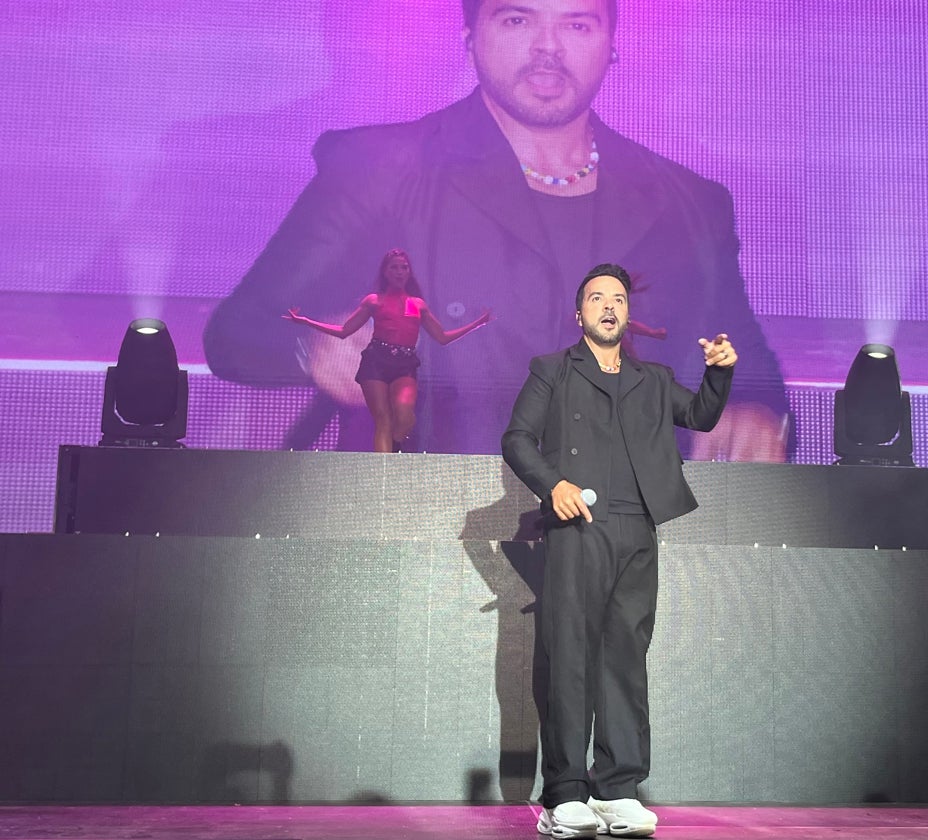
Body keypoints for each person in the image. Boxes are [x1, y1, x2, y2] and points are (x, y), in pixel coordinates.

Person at [203, 0, 789, 459]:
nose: (548, 48)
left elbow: (743, 363)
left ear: (612, 45)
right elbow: (237, 332)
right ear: (470, 38)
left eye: (579, 25)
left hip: (623, 550)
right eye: (517, 18)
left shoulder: (689, 205)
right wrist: (313, 347)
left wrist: (754, 411)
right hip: (422, 541)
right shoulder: (380, 168)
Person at [502, 264, 735, 838]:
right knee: (571, 658)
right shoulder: (553, 370)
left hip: (637, 529)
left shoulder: (651, 379)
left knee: (625, 660)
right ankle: (565, 793)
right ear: (578, 313)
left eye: (619, 299)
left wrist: (718, 372)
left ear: (628, 315)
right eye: (597, 298)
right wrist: (551, 484)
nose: (609, 305)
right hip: (579, 526)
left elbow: (701, 415)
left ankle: (619, 787)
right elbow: (516, 438)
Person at [282, 248, 490, 452]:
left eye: (403, 268)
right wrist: (310, 337)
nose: (399, 273)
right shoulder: (371, 299)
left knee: (402, 419)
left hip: (413, 377)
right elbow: (343, 330)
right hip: (375, 374)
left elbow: (442, 337)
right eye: (394, 268)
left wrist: (476, 324)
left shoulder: (418, 306)